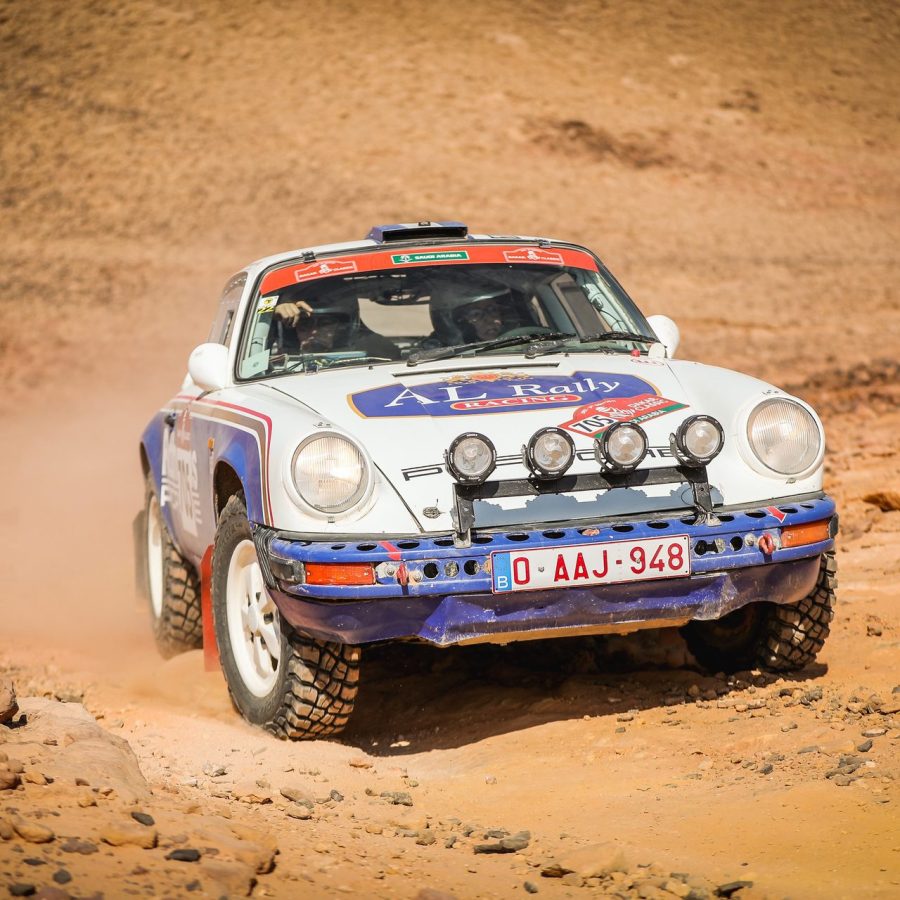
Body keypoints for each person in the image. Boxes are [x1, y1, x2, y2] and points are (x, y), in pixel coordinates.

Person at [272, 294, 401, 360]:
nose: (314, 331)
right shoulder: (279, 363)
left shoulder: (369, 352)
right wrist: (269, 314)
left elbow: (392, 356)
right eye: (305, 325)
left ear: (340, 328)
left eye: (325, 324)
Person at [427, 284, 526, 346]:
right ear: (461, 321)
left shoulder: (524, 340)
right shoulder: (441, 351)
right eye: (476, 314)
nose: (489, 319)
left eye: (492, 310)